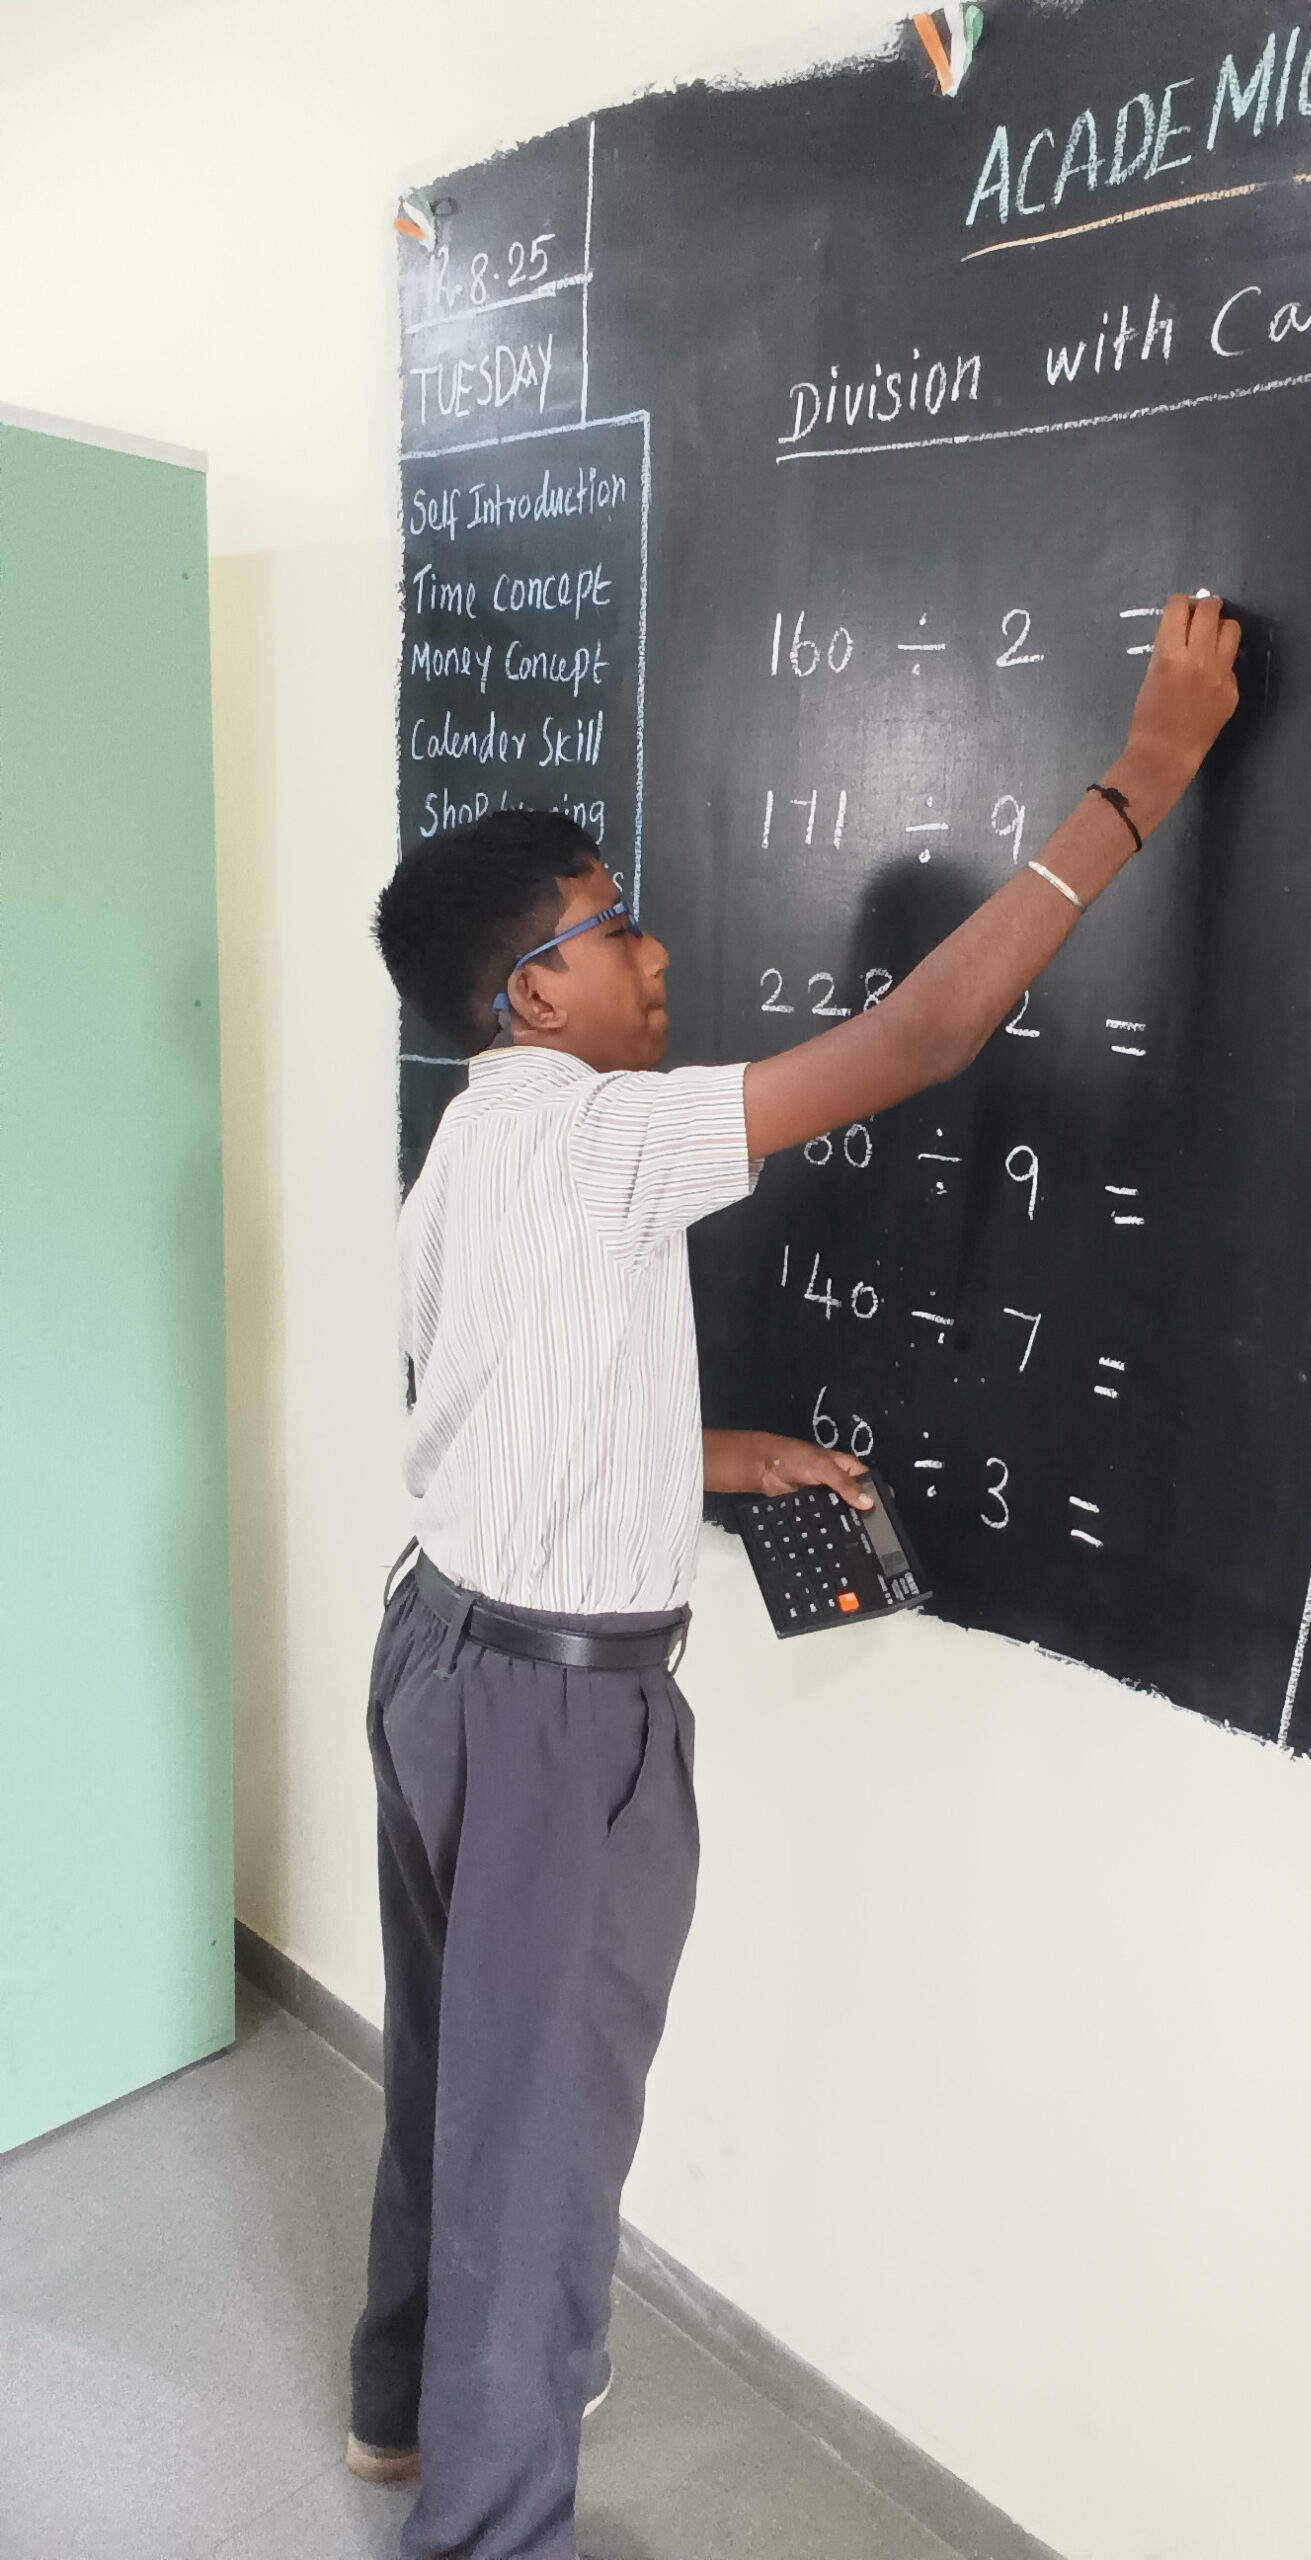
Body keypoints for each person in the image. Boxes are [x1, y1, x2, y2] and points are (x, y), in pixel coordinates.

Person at [349, 592, 1241, 2558]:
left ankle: (399, 2416)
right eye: (617, 927)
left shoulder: (470, 1154)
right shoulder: (601, 1138)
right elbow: (923, 1034)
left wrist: (722, 1454)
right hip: (555, 1712)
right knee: (544, 2135)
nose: (657, 951)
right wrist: (1143, 776)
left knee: (456, 2077)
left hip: (436, 1654)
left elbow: (509, 1411)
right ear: (533, 995)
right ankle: (491, 2531)